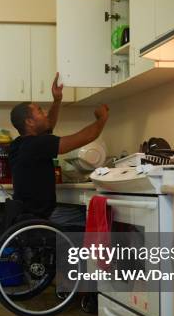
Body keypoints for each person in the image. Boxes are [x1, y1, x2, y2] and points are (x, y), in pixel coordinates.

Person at [9, 73, 109, 225]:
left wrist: (57, 100)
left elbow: (48, 125)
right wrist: (102, 118)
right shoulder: (37, 144)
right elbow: (86, 136)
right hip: (45, 216)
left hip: (26, 217)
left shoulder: (18, 144)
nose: (44, 114)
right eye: (40, 111)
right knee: (92, 214)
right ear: (29, 122)